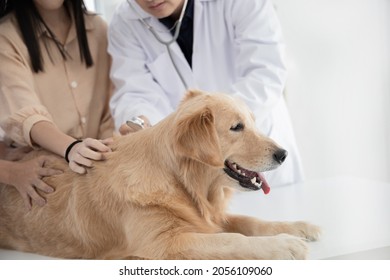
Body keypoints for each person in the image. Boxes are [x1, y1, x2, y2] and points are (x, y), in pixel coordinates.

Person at [108, 0, 304, 187]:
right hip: (193, 168)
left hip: (261, 150)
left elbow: (265, 74)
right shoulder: (125, 21)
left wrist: (221, 127)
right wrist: (143, 123)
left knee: (279, 217)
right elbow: (133, 92)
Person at [0, 0, 115, 208]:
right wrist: (71, 148)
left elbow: (111, 107)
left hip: (98, 171)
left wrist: (104, 156)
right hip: (41, 179)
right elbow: (25, 115)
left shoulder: (98, 29)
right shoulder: (6, 37)